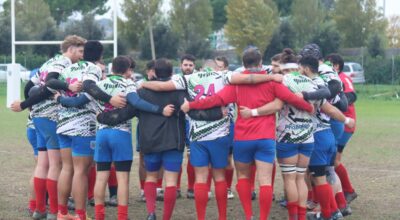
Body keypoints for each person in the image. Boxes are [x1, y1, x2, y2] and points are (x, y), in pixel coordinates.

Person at [181, 48, 314, 220]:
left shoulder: (236, 84)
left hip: (242, 139)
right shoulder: (272, 82)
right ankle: (263, 217)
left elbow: (214, 100)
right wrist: (309, 107)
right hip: (265, 138)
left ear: (243, 64)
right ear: (260, 64)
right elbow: (292, 98)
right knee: (265, 180)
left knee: (243, 177)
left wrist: (191, 105)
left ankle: (249, 215)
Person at [11, 35, 86, 220]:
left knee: (43, 164)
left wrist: (29, 105)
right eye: (80, 51)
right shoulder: (63, 62)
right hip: (52, 117)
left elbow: (30, 84)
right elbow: (51, 83)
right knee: (55, 165)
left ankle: (39, 210)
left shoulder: (48, 62)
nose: (82, 56)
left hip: (38, 118)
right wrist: (69, 86)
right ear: (71, 49)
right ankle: (53, 211)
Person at [92, 56, 173, 220]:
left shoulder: (99, 85)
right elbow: (137, 103)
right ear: (128, 69)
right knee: (123, 178)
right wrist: (159, 109)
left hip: (101, 134)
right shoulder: (129, 84)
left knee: (101, 177)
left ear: (111, 68)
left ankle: (99, 216)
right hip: (121, 134)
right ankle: (122, 216)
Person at [326, 53, 358, 204]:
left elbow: (352, 95)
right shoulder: (330, 78)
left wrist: (338, 100)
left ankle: (348, 191)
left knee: (334, 160)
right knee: (332, 160)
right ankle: (340, 191)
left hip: (344, 124)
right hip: (338, 122)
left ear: (336, 66)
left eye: (328, 63)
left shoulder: (343, 78)